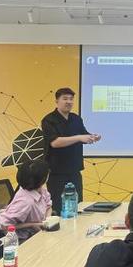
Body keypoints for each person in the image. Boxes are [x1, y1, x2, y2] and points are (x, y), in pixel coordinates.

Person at [41, 87, 101, 215]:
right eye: (65, 99)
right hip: (57, 172)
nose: (69, 102)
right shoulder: (49, 120)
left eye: (71, 99)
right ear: (57, 101)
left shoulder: (76, 118)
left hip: (75, 170)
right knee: (58, 208)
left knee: (77, 206)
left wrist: (92, 137)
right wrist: (79, 138)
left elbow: (84, 135)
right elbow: (55, 142)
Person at [0, 160, 52, 243]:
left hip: (38, 233)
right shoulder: (26, 202)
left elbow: (49, 206)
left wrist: (47, 220)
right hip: (23, 241)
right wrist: (32, 224)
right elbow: (4, 226)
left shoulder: (41, 190)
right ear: (44, 179)